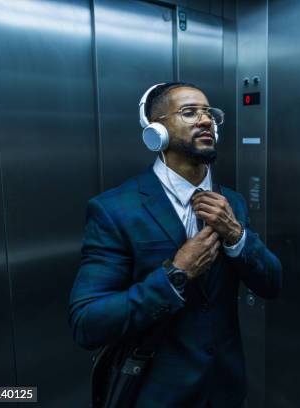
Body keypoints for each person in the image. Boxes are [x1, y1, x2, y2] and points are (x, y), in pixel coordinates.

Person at [68, 82, 282, 407]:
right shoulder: (115, 209)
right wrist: (177, 274)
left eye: (209, 113)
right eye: (189, 112)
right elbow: (88, 322)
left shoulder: (232, 203)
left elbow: (271, 283)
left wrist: (237, 236)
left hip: (226, 390)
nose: (206, 120)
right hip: (158, 395)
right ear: (156, 131)